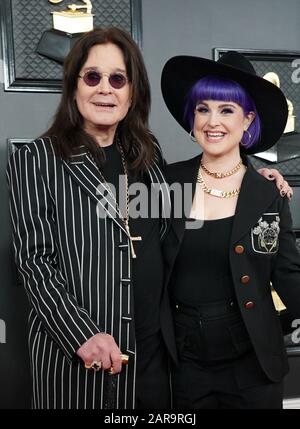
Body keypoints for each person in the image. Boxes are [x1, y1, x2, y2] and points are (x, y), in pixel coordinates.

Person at [6, 27, 290, 410]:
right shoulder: (37, 158)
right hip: (84, 355)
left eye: (118, 79)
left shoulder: (145, 154)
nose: (105, 88)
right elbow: (34, 262)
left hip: (156, 358)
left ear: (131, 92)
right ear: (74, 86)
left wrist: (259, 179)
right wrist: (82, 335)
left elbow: (215, 175)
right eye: (93, 76)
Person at [161, 51, 300, 409]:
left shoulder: (268, 192)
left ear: (247, 119)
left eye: (227, 110)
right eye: (203, 108)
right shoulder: (165, 184)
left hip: (254, 365)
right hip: (184, 366)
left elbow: (286, 273)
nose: (212, 121)